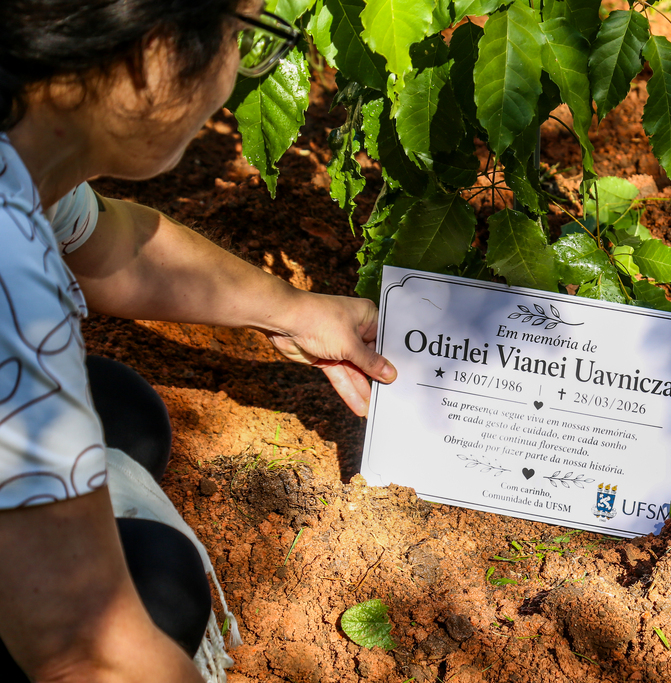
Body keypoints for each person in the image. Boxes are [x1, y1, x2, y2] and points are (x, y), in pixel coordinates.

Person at [0, 1, 397, 681]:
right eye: (240, 35)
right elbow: (83, 653)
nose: (235, 68)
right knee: (160, 589)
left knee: (120, 414)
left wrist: (294, 313)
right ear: (149, 50)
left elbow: (108, 242)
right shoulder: (12, 277)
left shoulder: (21, 140)